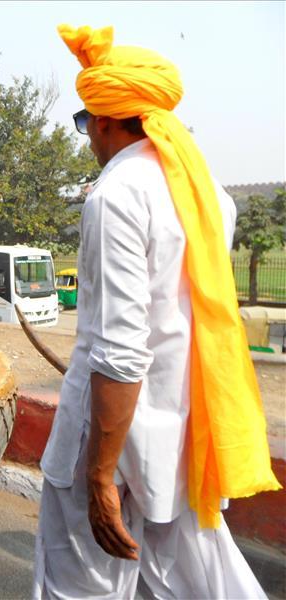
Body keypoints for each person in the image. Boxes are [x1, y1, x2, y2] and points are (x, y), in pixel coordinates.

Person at [32, 25, 280, 598]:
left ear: (104, 121)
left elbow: (120, 350)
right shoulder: (208, 192)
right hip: (178, 435)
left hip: (111, 439)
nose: (89, 137)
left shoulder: (117, 193)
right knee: (187, 581)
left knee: (85, 584)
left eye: (86, 123)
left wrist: (98, 474)